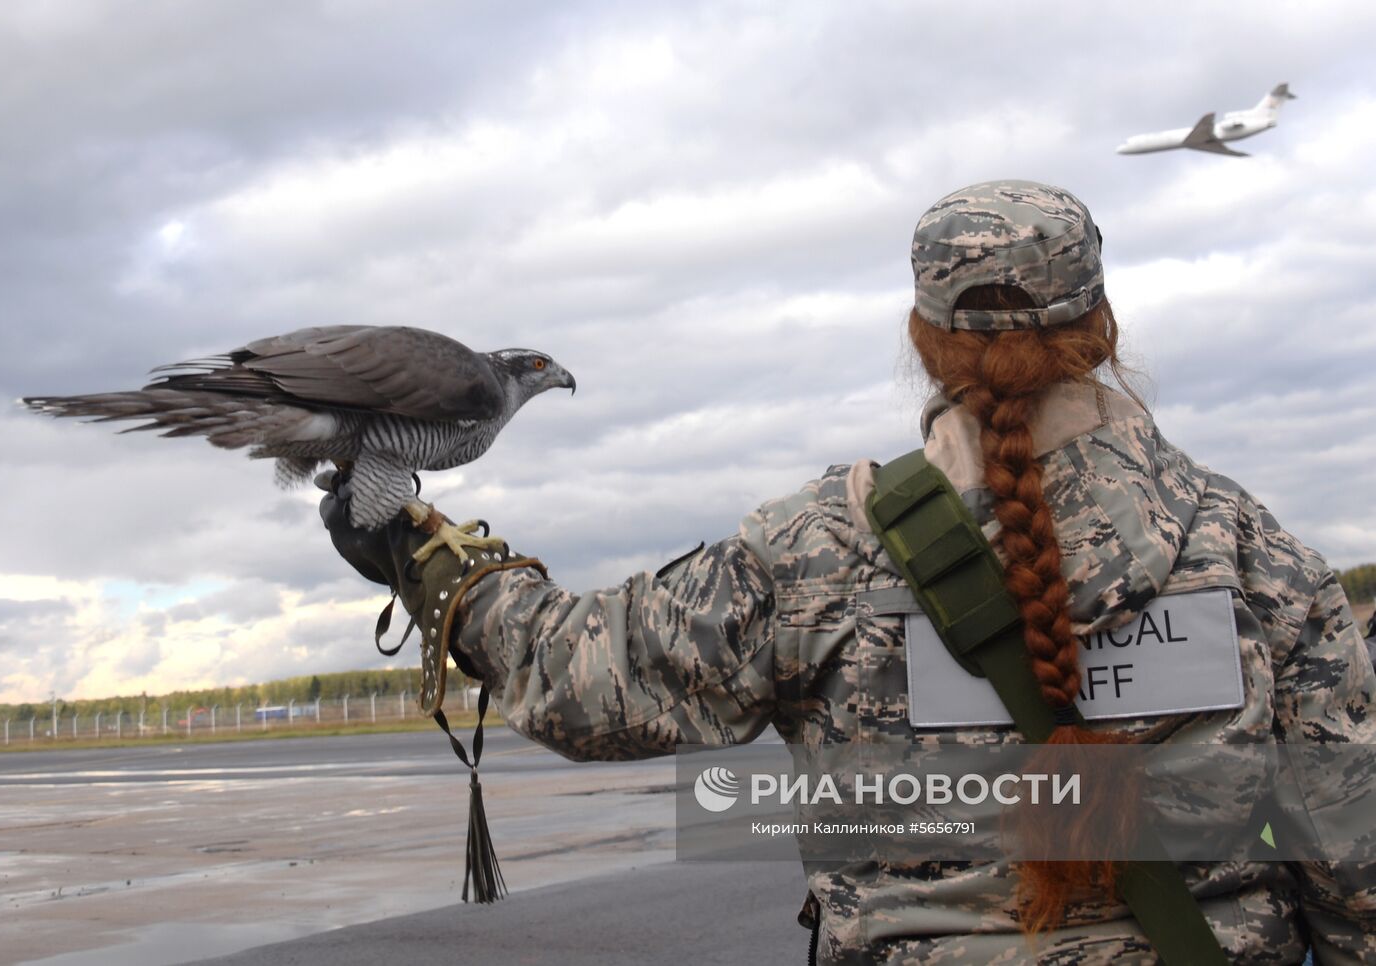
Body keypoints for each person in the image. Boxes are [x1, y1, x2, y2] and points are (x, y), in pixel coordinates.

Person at [320, 180, 1376, 963]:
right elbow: (1351, 864)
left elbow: (577, 680)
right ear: (1098, 331)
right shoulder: (1257, 556)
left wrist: (419, 557)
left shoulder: (817, 551)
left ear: (923, 340)